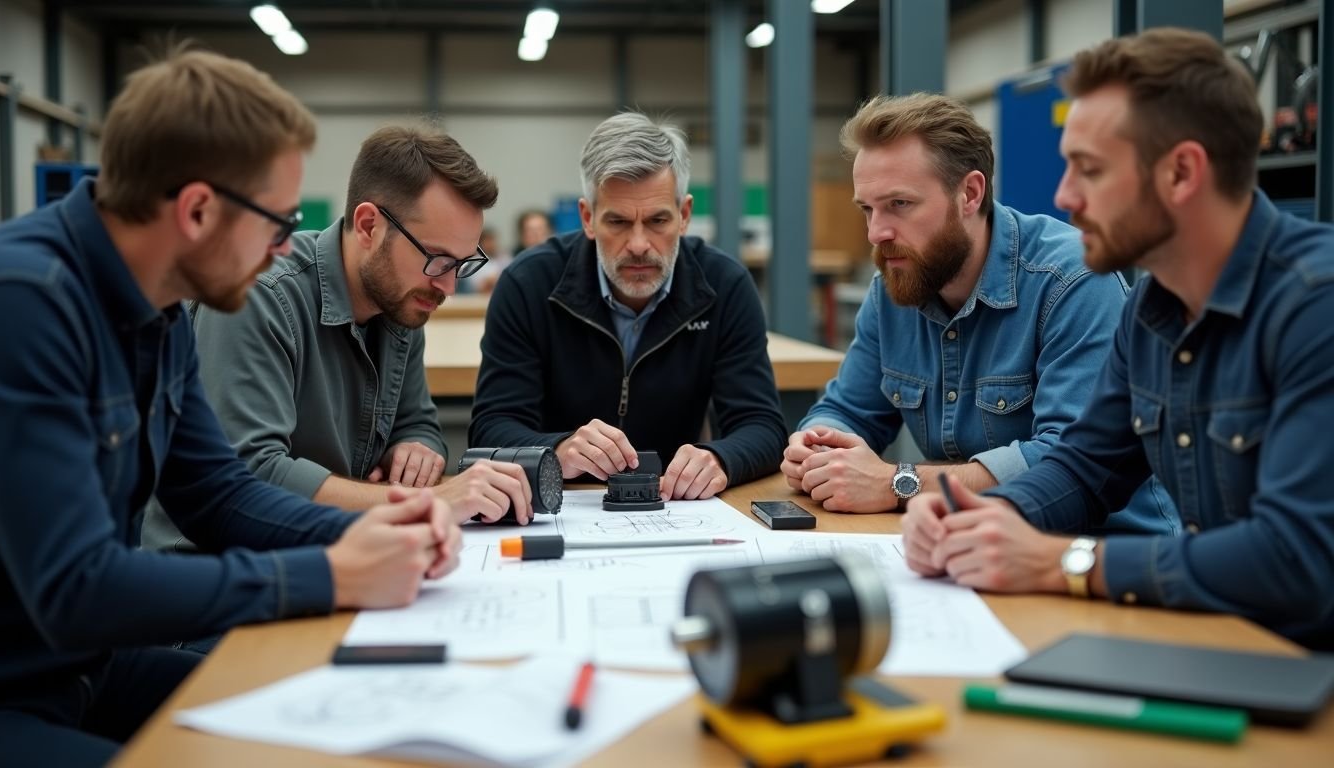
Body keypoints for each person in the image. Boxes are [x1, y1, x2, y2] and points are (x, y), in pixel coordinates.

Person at [0, 50, 461, 766]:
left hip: (85, 667)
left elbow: (217, 492)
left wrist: (379, 520)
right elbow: (75, 586)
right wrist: (332, 572)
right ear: (198, 209)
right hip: (12, 689)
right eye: (278, 222)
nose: (283, 249)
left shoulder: (163, 306)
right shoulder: (27, 305)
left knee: (320, 735)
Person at [901, 28, 1334, 649]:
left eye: (1090, 169)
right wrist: (986, 518)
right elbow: (1086, 467)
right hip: (1226, 644)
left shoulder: (1314, 306)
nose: (1064, 197)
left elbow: (1296, 559)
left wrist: (1063, 564)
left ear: (1182, 172)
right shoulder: (1154, 309)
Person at [780, 92, 1175, 534]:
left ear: (969, 193)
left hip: (1101, 552)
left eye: (900, 205)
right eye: (867, 209)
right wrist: (816, 447)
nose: (877, 233)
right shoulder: (894, 287)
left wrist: (899, 483)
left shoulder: (1074, 282)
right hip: (973, 544)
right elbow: (848, 408)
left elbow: (1069, 462)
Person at [142, 125, 532, 561]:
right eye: (436, 258)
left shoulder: (404, 301)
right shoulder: (257, 295)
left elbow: (417, 422)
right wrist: (429, 502)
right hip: (216, 579)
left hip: (330, 555)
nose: (446, 284)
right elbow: (248, 476)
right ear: (368, 226)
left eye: (462, 264)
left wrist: (418, 447)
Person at [470, 112, 785, 499]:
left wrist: (720, 458)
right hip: (562, 504)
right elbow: (491, 426)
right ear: (588, 218)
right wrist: (557, 449)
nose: (638, 244)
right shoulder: (528, 284)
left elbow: (763, 426)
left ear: (684, 216)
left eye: (657, 220)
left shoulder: (724, 286)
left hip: (677, 507)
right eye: (617, 222)